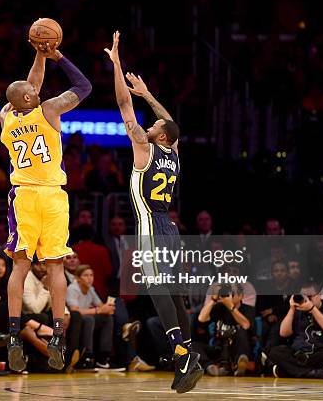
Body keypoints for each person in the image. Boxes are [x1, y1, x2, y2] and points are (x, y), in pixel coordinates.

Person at [104, 31, 202, 393]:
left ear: (159, 136)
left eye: (154, 126)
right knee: (174, 292)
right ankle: (188, 357)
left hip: (150, 224)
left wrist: (116, 64)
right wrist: (148, 95)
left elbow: (121, 103)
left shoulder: (144, 148)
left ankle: (181, 353)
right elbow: (171, 121)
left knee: (156, 285)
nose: (150, 123)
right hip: (170, 227)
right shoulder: (173, 153)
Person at [0, 37, 91, 373]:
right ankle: (57, 335)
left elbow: (30, 86)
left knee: (20, 266)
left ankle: (12, 336)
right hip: (52, 196)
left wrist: (39, 54)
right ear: (29, 99)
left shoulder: (6, 116)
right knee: (55, 267)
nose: (38, 91)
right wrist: (58, 56)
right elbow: (84, 85)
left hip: (23, 195)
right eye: (33, 92)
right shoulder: (50, 109)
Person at [267, 282, 323, 379]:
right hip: (298, 353)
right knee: (275, 352)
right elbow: (283, 333)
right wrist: (292, 309)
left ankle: (289, 371)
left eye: (310, 297)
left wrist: (312, 308)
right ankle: (312, 373)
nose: (306, 300)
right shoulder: (297, 311)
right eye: (303, 297)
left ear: (320, 296)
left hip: (318, 353)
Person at [197, 284, 255, 376]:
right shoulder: (219, 307)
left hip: (237, 349)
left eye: (232, 293)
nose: (229, 295)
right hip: (219, 348)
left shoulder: (248, 309)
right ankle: (210, 367)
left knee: (241, 332)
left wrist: (231, 307)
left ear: (241, 296)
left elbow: (246, 325)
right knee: (194, 345)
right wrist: (213, 300)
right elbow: (201, 319)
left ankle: (240, 365)